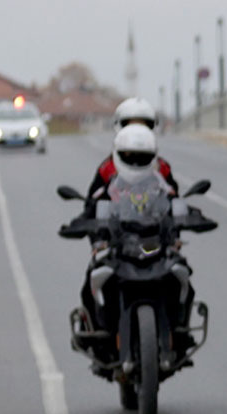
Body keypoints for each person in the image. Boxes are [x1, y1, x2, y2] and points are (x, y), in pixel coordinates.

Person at [72, 124, 194, 361]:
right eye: (130, 155)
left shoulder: (162, 179)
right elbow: (91, 207)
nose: (136, 161)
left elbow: (175, 203)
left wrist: (189, 220)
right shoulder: (106, 176)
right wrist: (86, 228)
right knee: (93, 278)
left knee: (183, 274)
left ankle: (180, 332)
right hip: (120, 246)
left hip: (152, 244)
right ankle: (94, 333)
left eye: (142, 156)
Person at [82, 98, 179, 219]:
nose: (137, 131)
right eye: (131, 125)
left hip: (155, 228)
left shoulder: (162, 166)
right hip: (117, 229)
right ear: (120, 126)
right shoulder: (107, 167)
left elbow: (175, 202)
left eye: (143, 125)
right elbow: (91, 203)